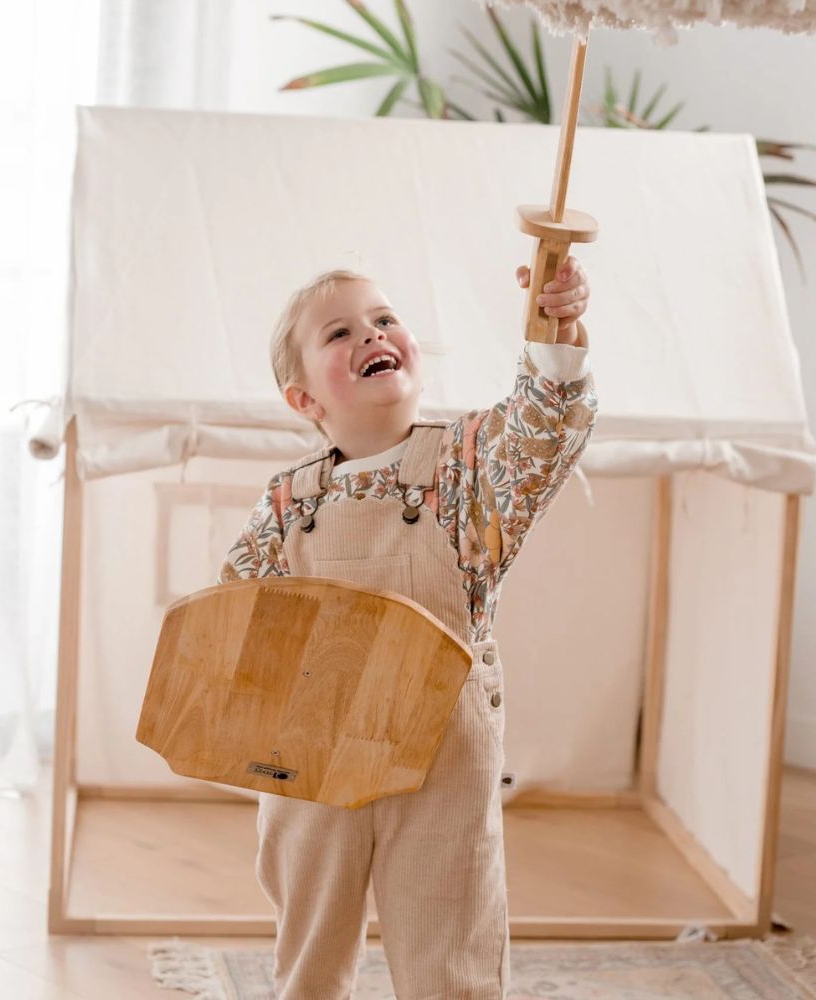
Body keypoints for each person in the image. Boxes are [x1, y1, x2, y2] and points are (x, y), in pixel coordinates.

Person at [216, 260, 597, 999]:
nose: (373, 334)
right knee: (310, 941)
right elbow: (240, 616)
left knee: (451, 937)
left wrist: (557, 330)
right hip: (312, 751)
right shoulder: (289, 502)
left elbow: (542, 429)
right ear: (303, 397)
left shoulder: (472, 466)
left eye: (385, 320)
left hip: (441, 748)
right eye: (341, 331)